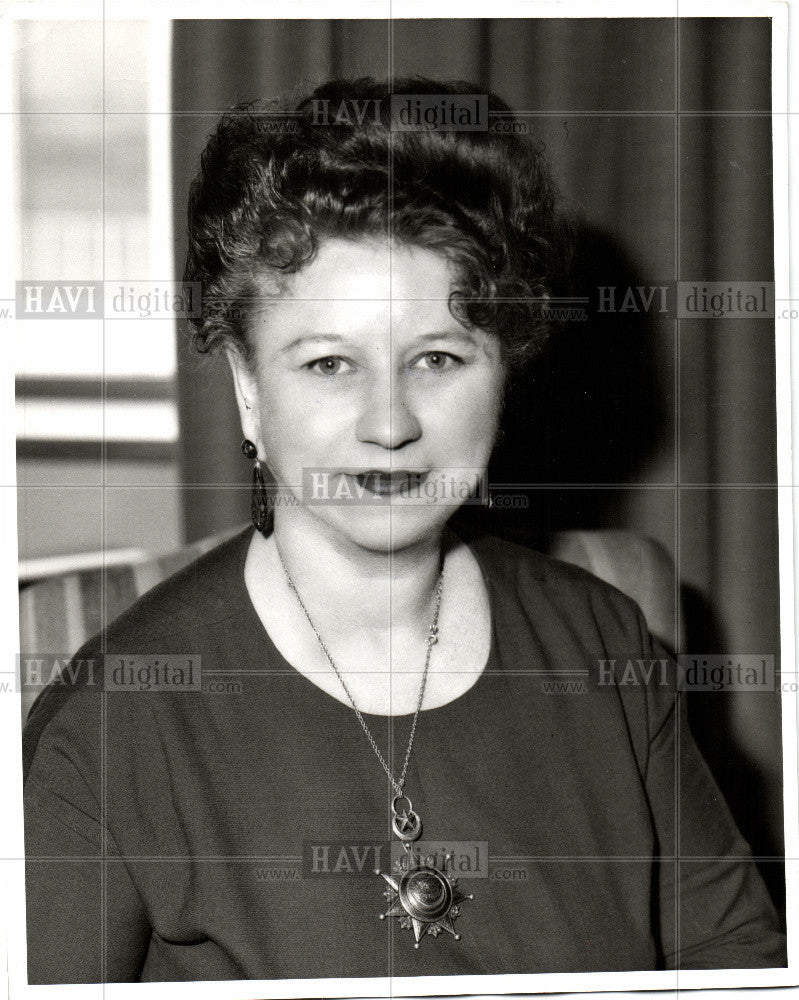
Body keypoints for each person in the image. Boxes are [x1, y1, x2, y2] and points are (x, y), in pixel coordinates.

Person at [22, 77, 787, 984]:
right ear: (247, 387)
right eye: (329, 363)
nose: (389, 423)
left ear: (503, 372)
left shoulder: (606, 646)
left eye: (436, 357)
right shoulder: (116, 722)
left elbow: (734, 968)